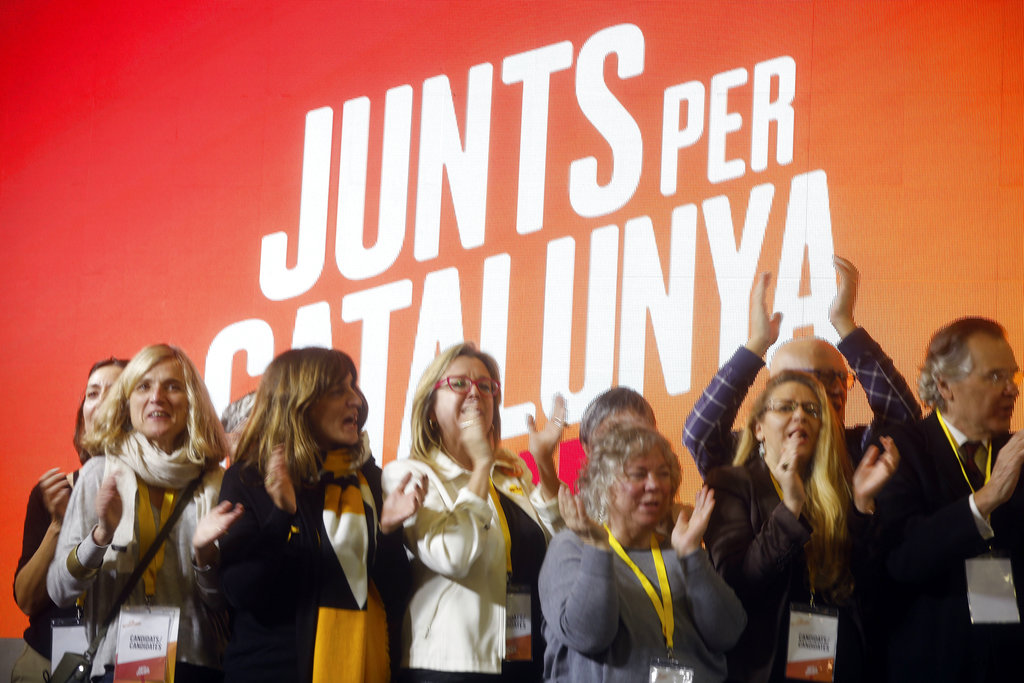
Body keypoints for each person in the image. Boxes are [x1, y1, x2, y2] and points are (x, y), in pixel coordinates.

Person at [217, 347, 421, 683]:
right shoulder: (250, 478)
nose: (355, 400)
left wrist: (387, 533)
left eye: (353, 387)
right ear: (299, 403)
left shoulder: (370, 480)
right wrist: (282, 515)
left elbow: (395, 596)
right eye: (339, 391)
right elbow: (241, 592)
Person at [47, 344, 240, 683]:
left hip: (196, 668)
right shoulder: (99, 474)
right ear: (127, 402)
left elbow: (223, 603)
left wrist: (204, 556)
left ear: (192, 402)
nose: (156, 397)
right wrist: (100, 537)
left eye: (172, 386)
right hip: (114, 667)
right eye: (143, 386)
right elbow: (60, 591)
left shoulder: (216, 482)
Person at [382, 342, 566, 681]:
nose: (475, 393)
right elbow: (453, 556)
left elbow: (562, 545)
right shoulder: (409, 474)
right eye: (459, 384)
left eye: (485, 386)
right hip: (449, 663)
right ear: (430, 409)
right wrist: (480, 465)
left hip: (522, 654)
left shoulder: (510, 471)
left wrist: (544, 464)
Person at [704, 370, 899, 683]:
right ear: (758, 428)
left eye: (811, 410)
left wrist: (862, 505)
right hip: (766, 666)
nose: (800, 415)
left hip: (839, 662)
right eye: (785, 407)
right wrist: (791, 506)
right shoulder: (730, 484)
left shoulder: (838, 486)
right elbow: (738, 583)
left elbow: (865, 587)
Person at [876, 317, 1024, 682]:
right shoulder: (901, 448)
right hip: (934, 663)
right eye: (995, 377)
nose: (1012, 390)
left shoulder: (1016, 452)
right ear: (945, 385)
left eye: (1014, 376)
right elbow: (902, 559)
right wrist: (985, 500)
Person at [540, 424, 745, 682]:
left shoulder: (679, 549)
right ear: (605, 485)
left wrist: (692, 554)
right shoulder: (574, 547)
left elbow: (728, 633)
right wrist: (599, 548)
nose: (654, 485)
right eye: (639, 474)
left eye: (663, 474)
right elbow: (588, 635)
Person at [684, 256, 920, 477]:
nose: (838, 389)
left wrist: (844, 323)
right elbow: (699, 435)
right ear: (776, 392)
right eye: (822, 378)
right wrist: (757, 343)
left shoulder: (856, 449)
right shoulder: (746, 460)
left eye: (843, 378)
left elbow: (904, 419)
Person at [11, 357, 126, 683]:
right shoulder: (52, 493)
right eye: (92, 393)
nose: (100, 402)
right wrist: (59, 526)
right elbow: (27, 600)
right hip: (48, 664)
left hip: (127, 663)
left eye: (114, 392)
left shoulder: (160, 495)